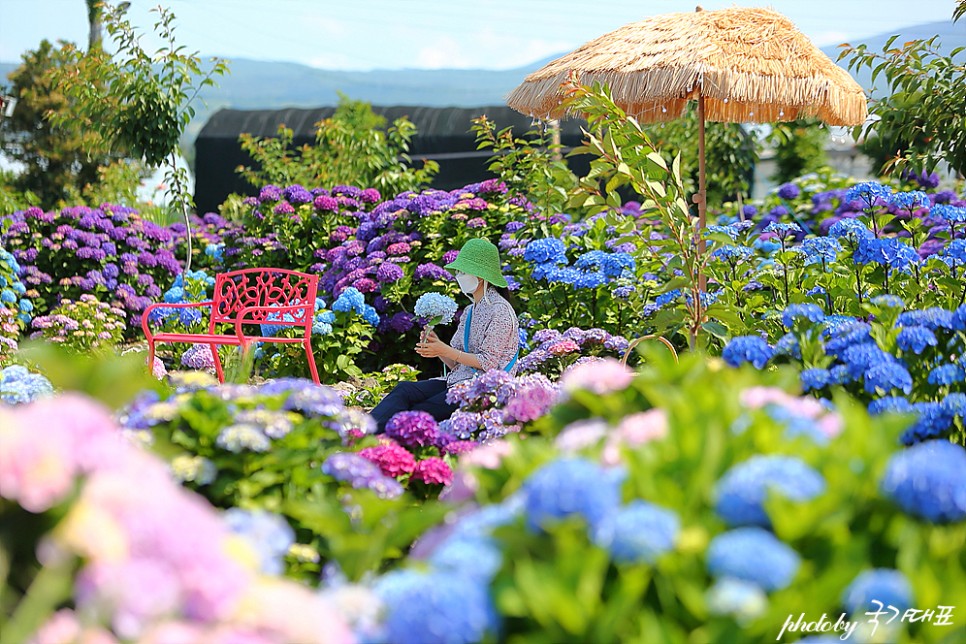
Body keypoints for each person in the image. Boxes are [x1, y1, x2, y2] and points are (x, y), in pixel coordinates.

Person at [370, 238, 519, 433]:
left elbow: (488, 363)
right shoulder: (470, 311)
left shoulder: (500, 311)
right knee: (404, 390)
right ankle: (359, 431)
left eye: (463, 272)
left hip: (481, 391)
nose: (459, 276)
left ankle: (371, 444)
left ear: (480, 277)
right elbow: (456, 364)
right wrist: (437, 347)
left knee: (418, 412)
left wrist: (444, 349)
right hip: (457, 382)